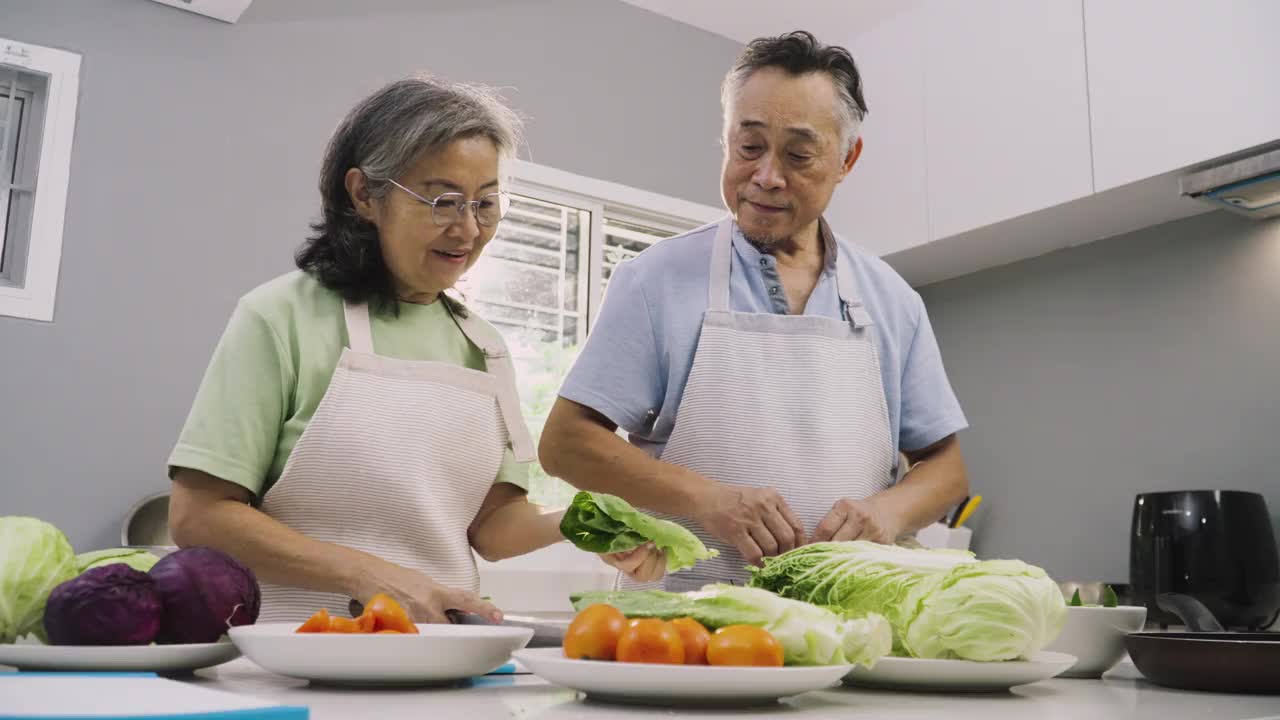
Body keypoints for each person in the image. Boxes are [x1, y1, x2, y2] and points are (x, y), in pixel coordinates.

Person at [167, 76, 662, 623]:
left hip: (442, 655)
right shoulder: (279, 317)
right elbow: (200, 516)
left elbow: (492, 528)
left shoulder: (484, 346)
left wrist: (587, 523)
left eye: (486, 203)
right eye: (443, 201)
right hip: (296, 655)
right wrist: (368, 575)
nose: (468, 229)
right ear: (364, 195)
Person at [540, 32, 970, 590]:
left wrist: (886, 514)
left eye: (797, 154)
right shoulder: (655, 280)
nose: (767, 176)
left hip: (849, 632)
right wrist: (708, 499)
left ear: (847, 159)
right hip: (681, 639)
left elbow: (947, 468)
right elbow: (565, 443)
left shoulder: (894, 302)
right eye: (749, 148)